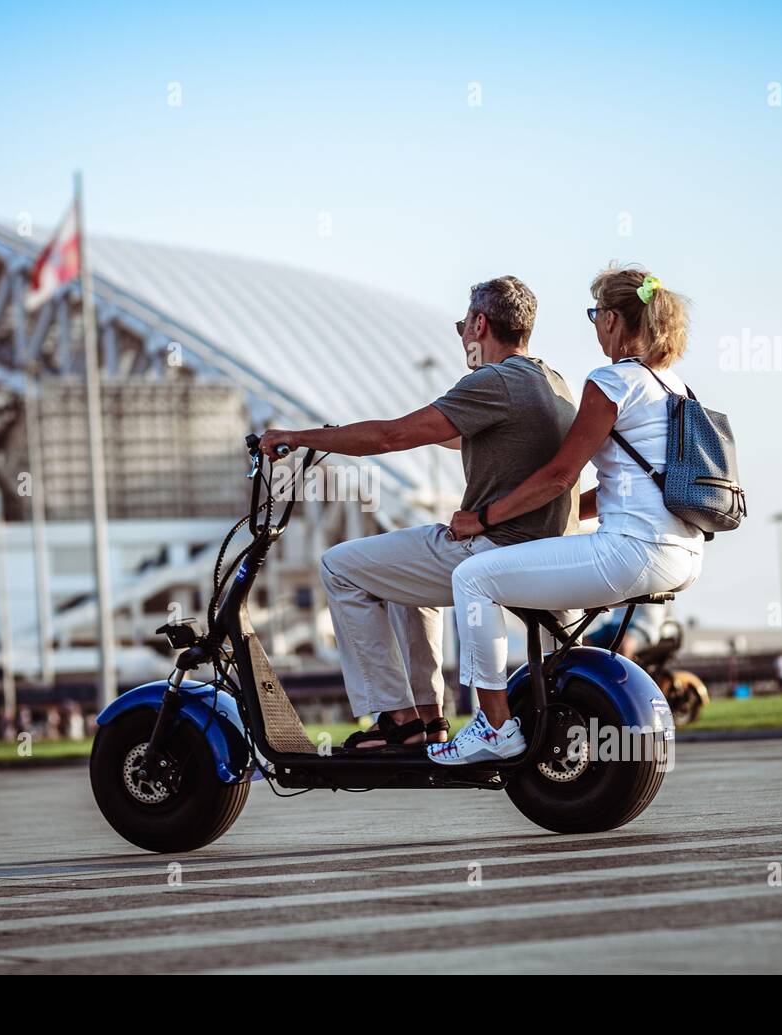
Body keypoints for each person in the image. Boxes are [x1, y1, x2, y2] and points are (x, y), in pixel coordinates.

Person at [259, 276, 578, 750]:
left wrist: (303, 437)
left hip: (497, 548)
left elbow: (391, 437)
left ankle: (398, 718)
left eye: (462, 327)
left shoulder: (494, 381)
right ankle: (429, 720)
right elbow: (444, 434)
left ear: (479, 323)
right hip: (542, 552)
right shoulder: (551, 380)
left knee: (340, 567)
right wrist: (367, 435)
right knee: (404, 578)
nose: (462, 337)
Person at [433, 264, 705, 765]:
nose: (595, 323)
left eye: (596, 313)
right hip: (683, 553)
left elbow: (560, 475)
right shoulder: (675, 387)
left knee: (472, 577)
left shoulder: (611, 381)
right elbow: (620, 486)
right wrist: (567, 512)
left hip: (631, 551)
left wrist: (485, 517)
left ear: (617, 320)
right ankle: (555, 701)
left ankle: (493, 727)